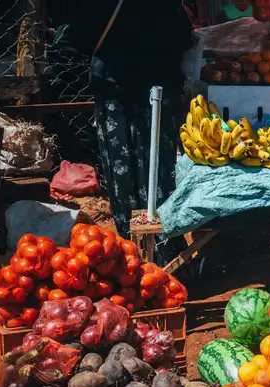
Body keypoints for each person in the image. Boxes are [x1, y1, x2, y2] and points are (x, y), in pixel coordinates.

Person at [65, 0, 194, 240]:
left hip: (115, 91)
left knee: (122, 171)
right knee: (158, 170)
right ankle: (163, 243)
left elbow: (74, 40)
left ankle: (129, 246)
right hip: (159, 90)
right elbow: (184, 38)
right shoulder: (168, 6)